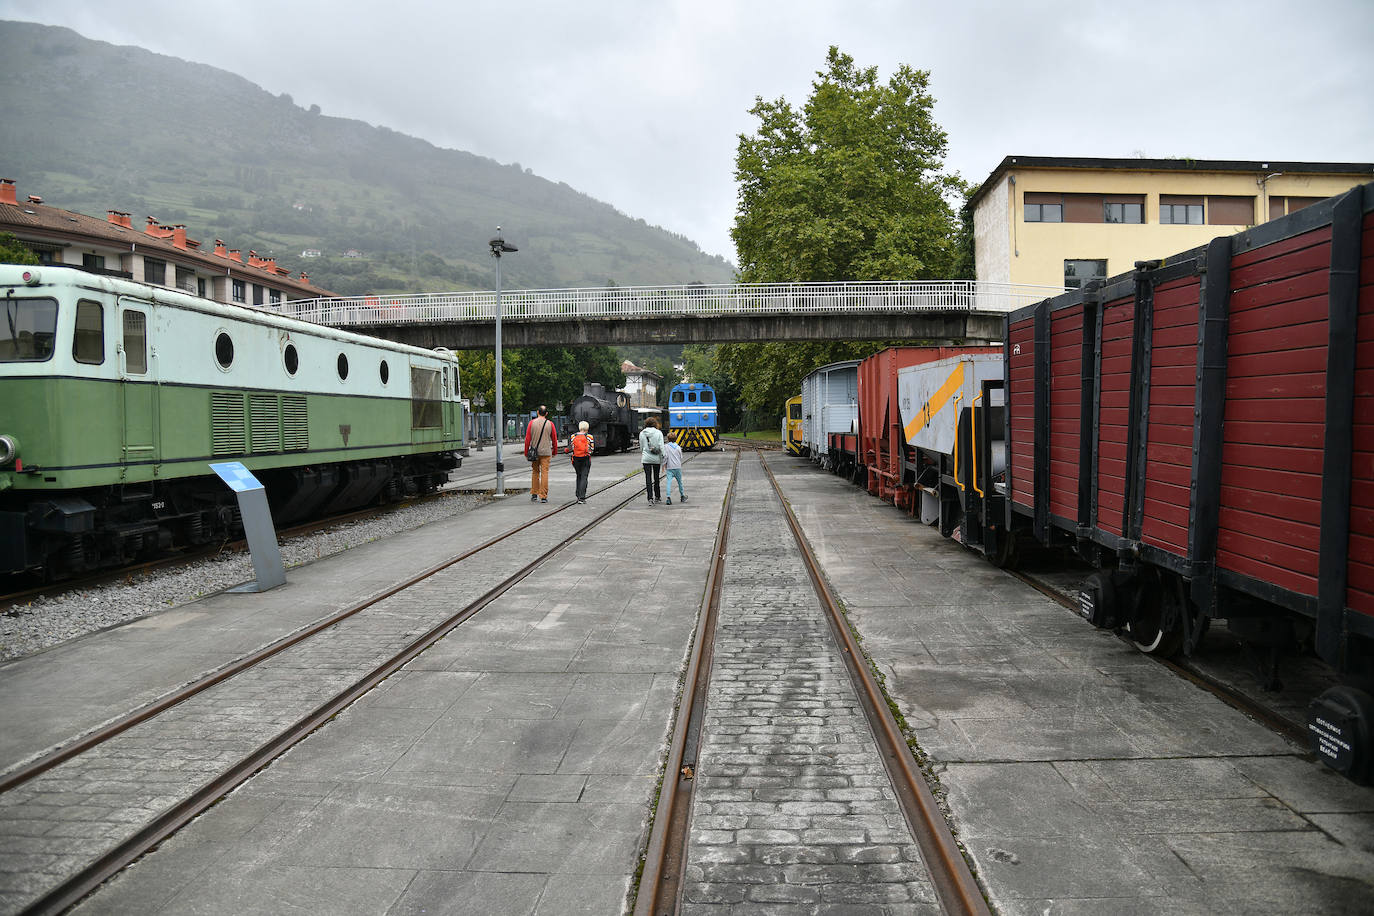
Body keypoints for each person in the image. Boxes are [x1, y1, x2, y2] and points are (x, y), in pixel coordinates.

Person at [524, 405, 558, 503]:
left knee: (535, 472)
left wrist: (526, 452)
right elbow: (554, 439)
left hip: (534, 452)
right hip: (546, 452)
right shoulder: (550, 424)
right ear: (546, 414)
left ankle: (534, 494)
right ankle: (543, 496)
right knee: (544, 473)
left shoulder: (531, 423)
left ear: (537, 412)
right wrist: (554, 451)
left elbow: (527, 439)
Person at [639, 416, 665, 505]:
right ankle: (657, 496)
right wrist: (664, 456)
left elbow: (641, 447)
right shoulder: (659, 433)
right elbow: (661, 446)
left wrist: (644, 452)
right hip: (656, 458)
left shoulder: (642, 433)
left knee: (648, 478)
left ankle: (650, 498)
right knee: (656, 478)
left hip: (646, 459)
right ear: (655, 424)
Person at [568, 420, 595, 504]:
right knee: (584, 476)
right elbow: (592, 449)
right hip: (585, 458)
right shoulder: (589, 436)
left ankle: (577, 494)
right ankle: (581, 497)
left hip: (576, 459)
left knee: (578, 476)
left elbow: (571, 448)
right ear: (587, 427)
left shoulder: (573, 436)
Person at [662, 431, 687, 505]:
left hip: (669, 468)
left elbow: (665, 457)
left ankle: (668, 497)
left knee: (668, 482)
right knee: (680, 482)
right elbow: (681, 457)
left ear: (668, 439)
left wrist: (663, 465)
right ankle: (682, 496)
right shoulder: (678, 447)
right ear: (676, 439)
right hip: (678, 467)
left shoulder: (665, 446)